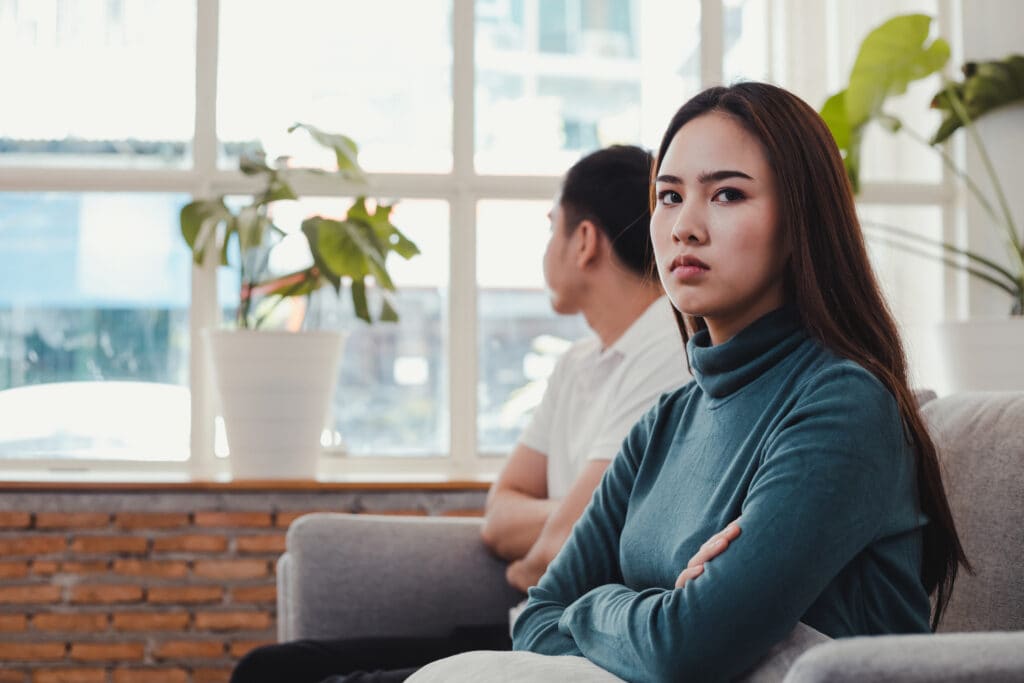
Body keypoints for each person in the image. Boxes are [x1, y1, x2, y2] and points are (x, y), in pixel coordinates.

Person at [408, 82, 971, 683]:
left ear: (800, 219)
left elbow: (687, 650)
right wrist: (657, 610)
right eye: (669, 196)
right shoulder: (666, 420)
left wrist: (602, 605)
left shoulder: (844, 405)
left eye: (727, 194)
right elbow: (538, 619)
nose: (685, 227)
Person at [230, 144, 691, 683]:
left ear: (584, 241)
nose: (546, 250)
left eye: (551, 229)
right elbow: (500, 521)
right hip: (525, 623)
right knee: (272, 667)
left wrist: (566, 531)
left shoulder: (666, 347)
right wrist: (581, 517)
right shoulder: (577, 362)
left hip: (565, 643)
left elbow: (551, 556)